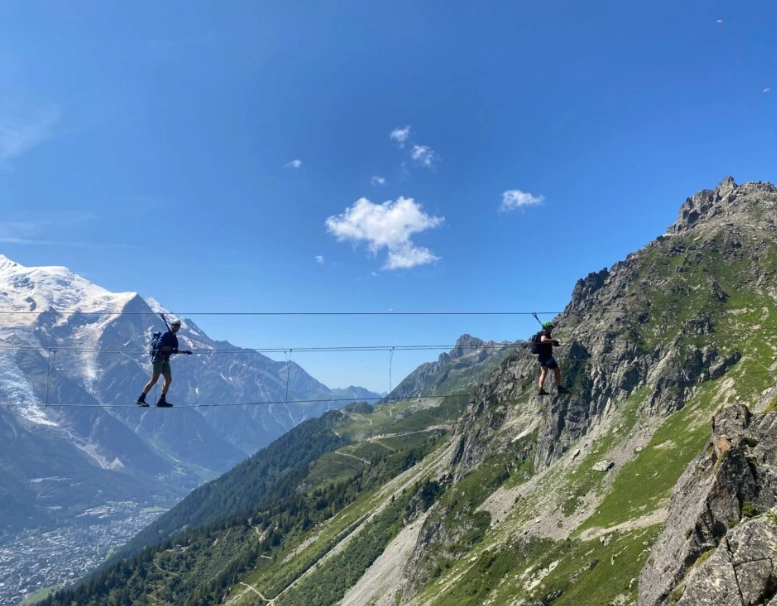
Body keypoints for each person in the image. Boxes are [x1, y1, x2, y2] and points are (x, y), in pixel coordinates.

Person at [136, 320, 192, 407]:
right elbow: (159, 346)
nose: (176, 327)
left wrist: (184, 351)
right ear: (171, 325)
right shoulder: (166, 334)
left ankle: (162, 400)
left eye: (178, 326)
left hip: (165, 360)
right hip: (158, 359)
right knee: (154, 380)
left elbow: (175, 350)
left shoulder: (174, 338)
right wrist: (171, 349)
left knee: (168, 379)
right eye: (175, 325)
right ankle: (141, 398)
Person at [536, 321, 569, 396]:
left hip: (541, 357)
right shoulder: (544, 333)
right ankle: (559, 387)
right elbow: (543, 340)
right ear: (547, 328)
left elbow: (544, 343)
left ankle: (541, 389)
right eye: (551, 328)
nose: (552, 329)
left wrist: (553, 343)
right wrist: (553, 340)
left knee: (544, 373)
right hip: (547, 356)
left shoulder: (540, 334)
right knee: (557, 370)